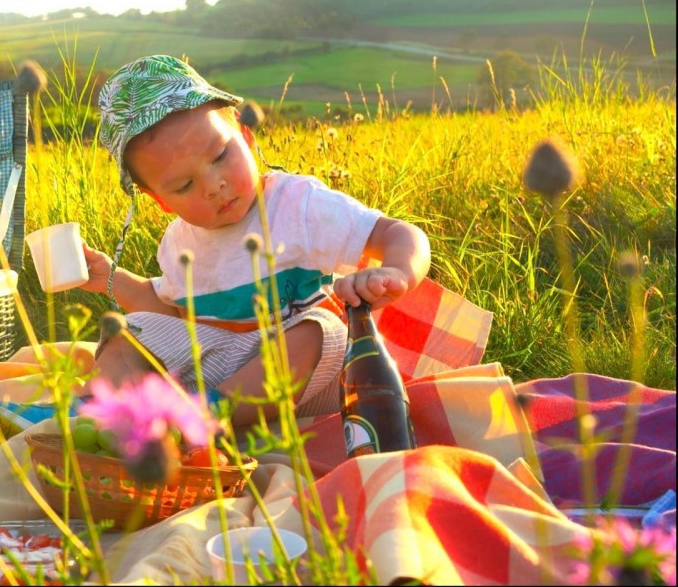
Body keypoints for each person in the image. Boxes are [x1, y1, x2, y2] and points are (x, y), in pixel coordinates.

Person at [79, 55, 431, 426]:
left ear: (245, 137)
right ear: (161, 200)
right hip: (222, 374)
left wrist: (397, 271)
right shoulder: (178, 242)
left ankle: (203, 422)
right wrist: (113, 280)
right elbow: (176, 315)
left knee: (322, 329)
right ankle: (120, 421)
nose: (214, 185)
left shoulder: (298, 205)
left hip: (310, 381)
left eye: (220, 156)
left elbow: (400, 233)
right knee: (127, 331)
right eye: (185, 185)